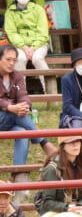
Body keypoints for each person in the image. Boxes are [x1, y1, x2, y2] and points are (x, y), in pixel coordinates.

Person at [0, 44, 59, 181]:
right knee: (15, 113)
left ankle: (17, 173)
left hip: (13, 120)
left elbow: (23, 95)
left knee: (23, 133)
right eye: (8, 59)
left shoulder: (17, 76)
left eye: (14, 60)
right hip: (4, 116)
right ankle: (44, 143)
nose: (12, 63)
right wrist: (10, 107)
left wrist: (25, 106)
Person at [5, 0, 51, 93]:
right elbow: (11, 32)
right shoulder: (10, 12)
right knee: (19, 59)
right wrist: (24, 47)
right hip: (19, 46)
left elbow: (43, 32)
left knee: (38, 58)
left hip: (39, 45)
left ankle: (50, 91)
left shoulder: (38, 10)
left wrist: (33, 47)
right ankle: (20, 93)